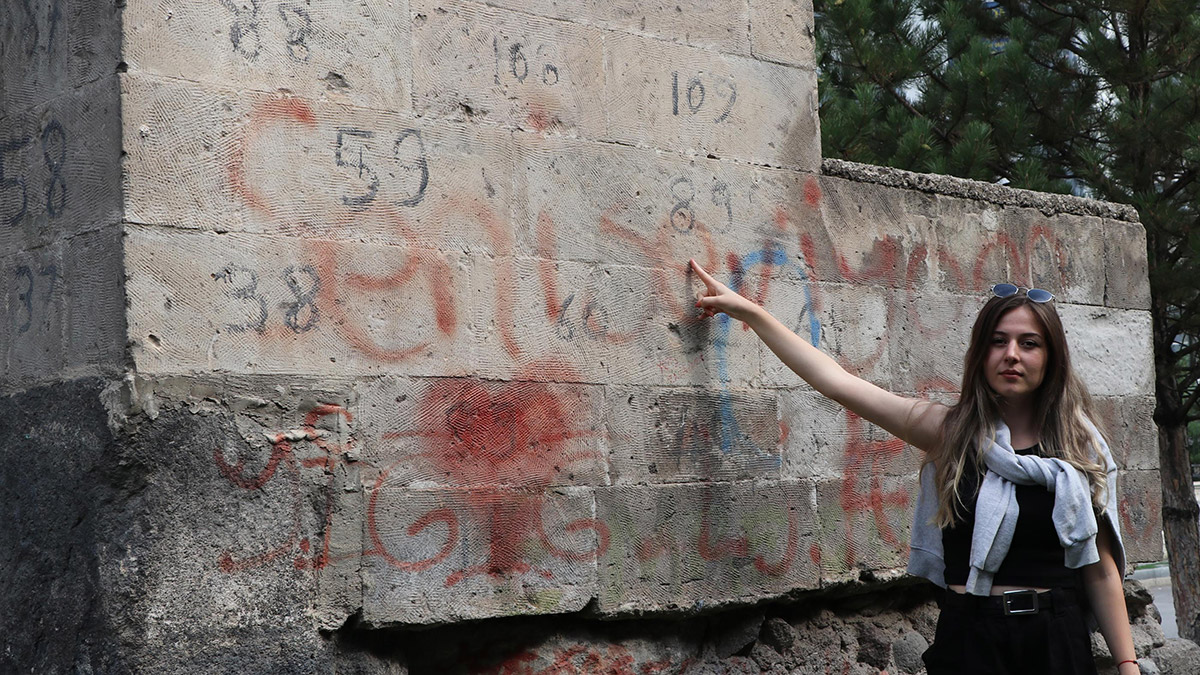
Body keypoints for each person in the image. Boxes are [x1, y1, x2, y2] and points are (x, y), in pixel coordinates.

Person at [689, 260, 1140, 675]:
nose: (1012, 354)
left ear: (1051, 356)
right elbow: (836, 382)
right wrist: (750, 312)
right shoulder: (951, 433)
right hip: (971, 639)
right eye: (998, 341)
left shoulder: (1080, 450)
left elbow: (1099, 571)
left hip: (1054, 641)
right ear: (981, 354)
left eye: (1029, 343)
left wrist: (1127, 664)